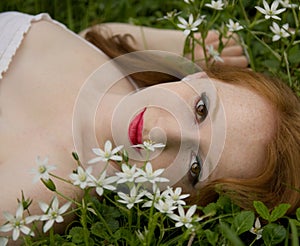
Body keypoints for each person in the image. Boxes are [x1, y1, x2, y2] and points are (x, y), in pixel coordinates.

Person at [0, 11, 299, 235]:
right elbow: (92, 33)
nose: (160, 132)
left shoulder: (38, 196)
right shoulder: (118, 68)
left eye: (195, 168)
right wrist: (175, 46)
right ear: (198, 75)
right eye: (201, 108)